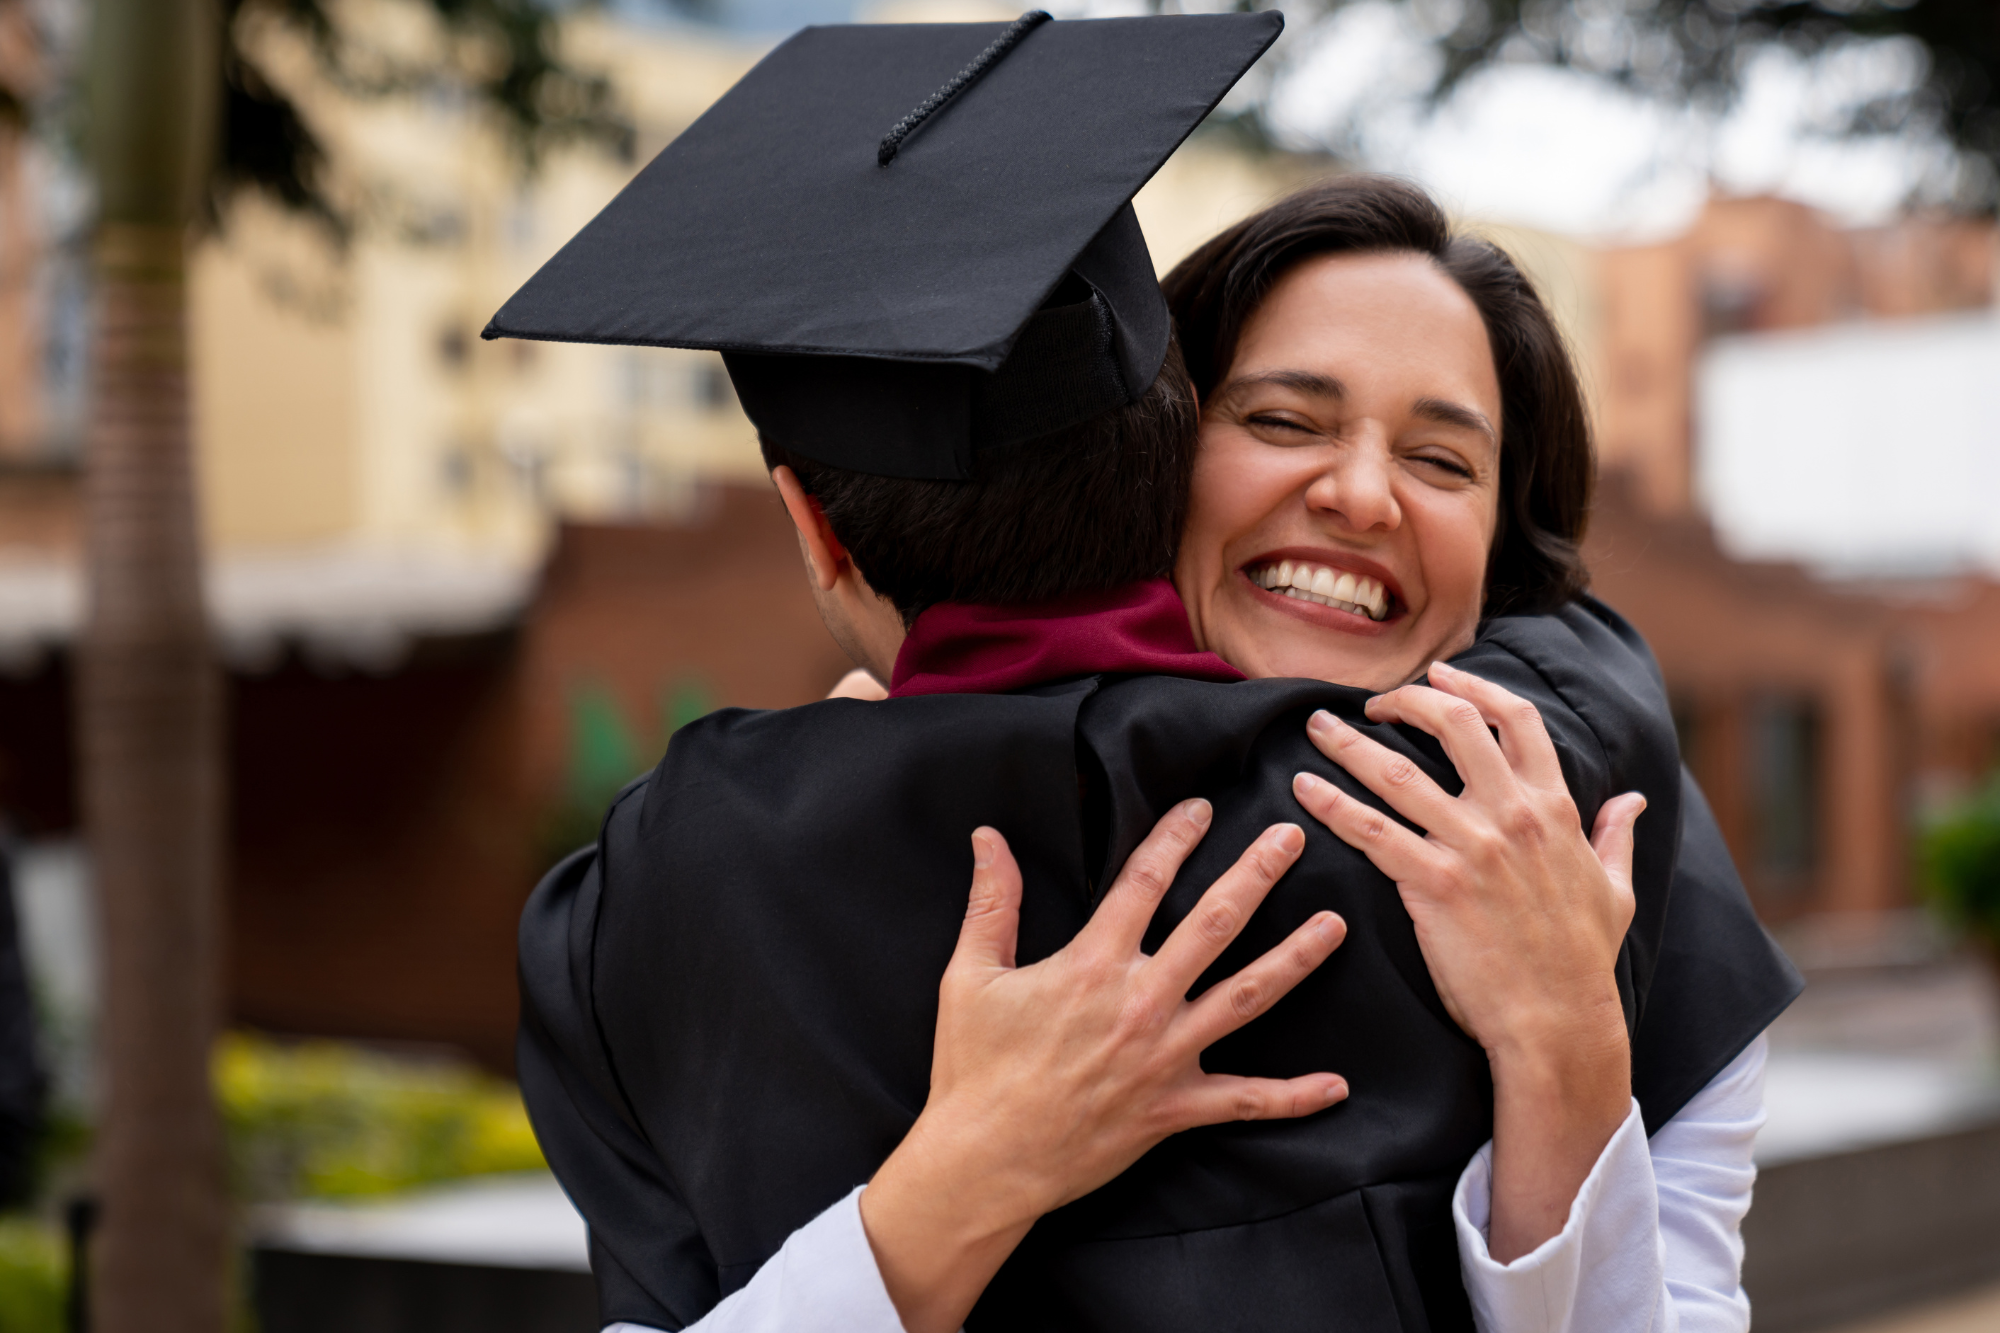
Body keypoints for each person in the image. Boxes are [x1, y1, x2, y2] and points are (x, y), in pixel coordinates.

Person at [499, 16, 1796, 1332]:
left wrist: (1572, 1051)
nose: (1357, 495)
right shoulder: (761, 858)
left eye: (1444, 460)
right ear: (1160, 445)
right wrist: (956, 1184)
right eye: (1282, 420)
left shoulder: (1604, 859)